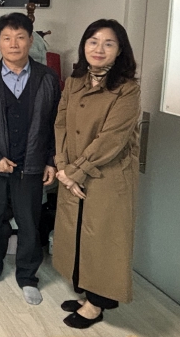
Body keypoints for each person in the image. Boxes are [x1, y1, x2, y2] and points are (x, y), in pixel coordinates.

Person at [53, 19, 140, 329]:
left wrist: (74, 172)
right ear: (84, 46)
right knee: (78, 233)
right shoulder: (74, 82)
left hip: (107, 175)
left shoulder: (127, 89)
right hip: (73, 171)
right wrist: (62, 166)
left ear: (120, 50)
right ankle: (88, 294)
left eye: (108, 43)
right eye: (93, 41)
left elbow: (112, 139)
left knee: (102, 239)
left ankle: (97, 304)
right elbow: (61, 124)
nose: (99, 49)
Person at [0, 12, 60, 305]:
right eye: (7, 38)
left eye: (20, 37)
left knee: (29, 222)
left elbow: (56, 124)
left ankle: (28, 277)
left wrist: (51, 160)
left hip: (32, 166)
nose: (14, 44)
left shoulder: (48, 79)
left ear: (31, 40)